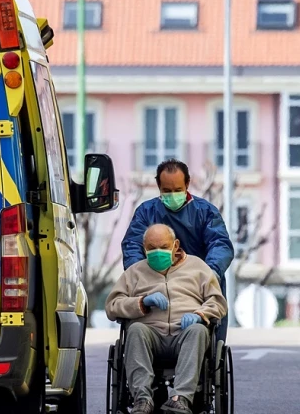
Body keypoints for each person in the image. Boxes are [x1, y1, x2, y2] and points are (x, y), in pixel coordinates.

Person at [106, 223, 228, 414]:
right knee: (135, 330)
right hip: (151, 335)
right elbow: (112, 305)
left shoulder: (198, 267)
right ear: (144, 248)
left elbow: (218, 302)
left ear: (175, 245)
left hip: (185, 333)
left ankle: (180, 399)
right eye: (152, 248)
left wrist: (200, 314)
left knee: (198, 330)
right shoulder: (134, 272)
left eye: (163, 247)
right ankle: (142, 400)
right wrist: (141, 302)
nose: (158, 252)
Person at [122, 159, 233, 341]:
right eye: (166, 191)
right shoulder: (146, 212)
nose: (172, 195)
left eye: (177, 190)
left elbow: (220, 244)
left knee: (209, 324)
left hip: (197, 285)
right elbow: (132, 245)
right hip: (154, 282)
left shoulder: (205, 212)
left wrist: (210, 273)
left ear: (187, 184)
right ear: (158, 186)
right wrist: (139, 274)